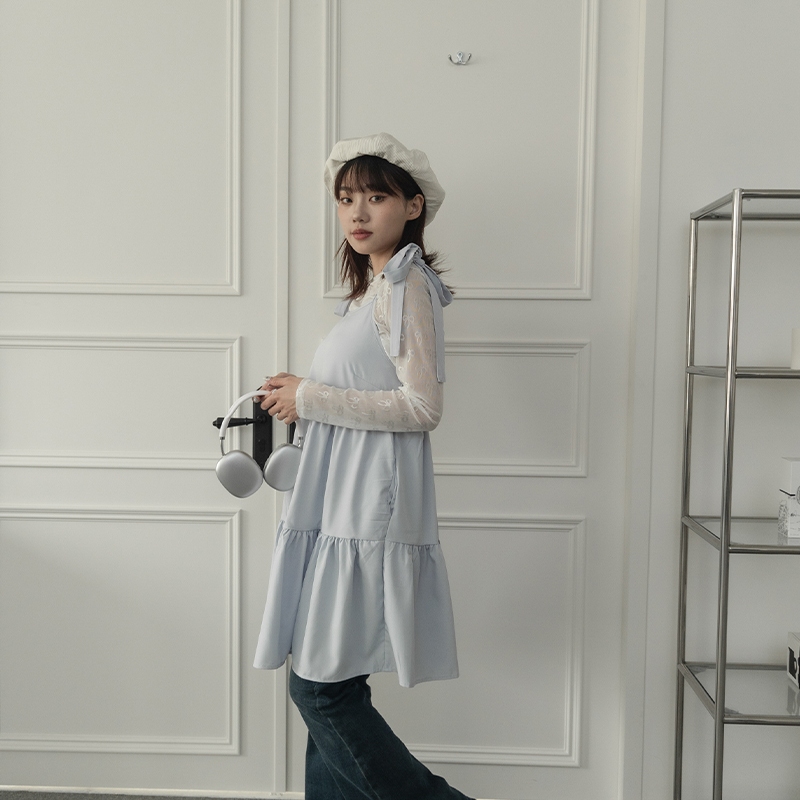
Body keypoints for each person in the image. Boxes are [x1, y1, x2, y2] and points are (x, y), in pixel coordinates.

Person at [254, 132, 472, 800]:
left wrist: (311, 397)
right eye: (347, 198)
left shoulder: (406, 286)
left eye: (376, 197)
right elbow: (360, 387)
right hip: (339, 501)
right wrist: (299, 394)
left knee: (321, 689)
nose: (357, 211)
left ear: (413, 205)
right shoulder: (373, 289)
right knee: (327, 680)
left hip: (368, 507)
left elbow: (421, 407)